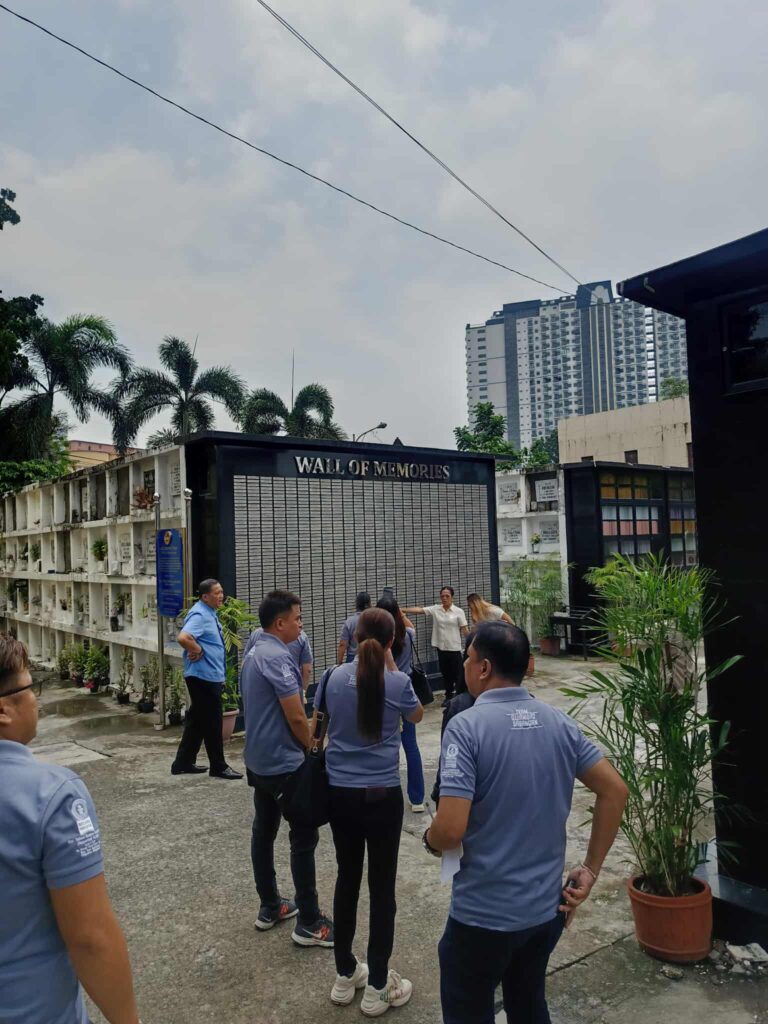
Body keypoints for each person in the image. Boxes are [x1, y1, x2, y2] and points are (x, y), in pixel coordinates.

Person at [424, 622, 628, 1024]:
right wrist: (590, 870)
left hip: (482, 918)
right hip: (545, 913)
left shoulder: (466, 727)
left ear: (483, 668)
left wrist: (431, 840)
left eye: (468, 658)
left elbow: (449, 830)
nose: (464, 666)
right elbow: (615, 791)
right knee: (528, 1002)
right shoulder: (559, 722)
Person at [0, 634, 140, 1024]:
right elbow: (90, 937)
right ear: (3, 711)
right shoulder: (50, 795)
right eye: (31, 688)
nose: (36, 700)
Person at [312, 607, 423, 1015]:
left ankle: (345, 974)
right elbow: (417, 715)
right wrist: (391, 665)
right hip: (382, 797)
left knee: (347, 878)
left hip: (340, 794)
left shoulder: (331, 677)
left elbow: (316, 733)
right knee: (382, 887)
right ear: (392, 642)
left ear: (355, 637)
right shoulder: (397, 682)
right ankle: (377, 985)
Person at [241, 589, 334, 946]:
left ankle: (270, 905)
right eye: (297, 618)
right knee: (303, 838)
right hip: (284, 764)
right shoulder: (278, 658)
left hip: (258, 761)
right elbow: (296, 717)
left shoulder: (254, 650)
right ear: (279, 623)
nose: (301, 624)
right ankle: (309, 921)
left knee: (263, 831)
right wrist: (313, 750)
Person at [172, 578, 243, 780]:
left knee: (196, 720)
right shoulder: (200, 614)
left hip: (207, 675)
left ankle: (183, 762)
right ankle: (218, 766)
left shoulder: (209, 612)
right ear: (205, 597)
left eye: (221, 592)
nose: (221, 596)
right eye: (216, 593)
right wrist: (197, 649)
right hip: (203, 677)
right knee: (213, 723)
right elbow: (183, 637)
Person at [377, 594, 426, 813]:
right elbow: (409, 625)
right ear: (397, 613)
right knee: (411, 745)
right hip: (405, 689)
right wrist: (401, 613)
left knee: (384, 744)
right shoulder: (409, 635)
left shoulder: (376, 641)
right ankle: (417, 799)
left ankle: (385, 794)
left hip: (383, 691)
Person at [430, 628, 477, 807]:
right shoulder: (546, 715)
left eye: (469, 658)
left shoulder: (459, 706)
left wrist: (439, 791)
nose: (465, 664)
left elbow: (449, 758)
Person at [403, 586, 468, 707]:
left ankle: (460, 695)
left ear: (452, 597)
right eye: (442, 596)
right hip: (441, 648)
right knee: (445, 673)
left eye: (447, 596)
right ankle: (448, 695)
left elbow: (464, 629)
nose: (444, 598)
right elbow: (420, 610)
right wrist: (402, 610)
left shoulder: (459, 611)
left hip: (454, 648)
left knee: (458, 674)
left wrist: (470, 643)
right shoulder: (436, 609)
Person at [337, 591, 371, 664]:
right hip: (370, 656)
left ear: (356, 604)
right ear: (370, 604)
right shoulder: (374, 620)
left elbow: (343, 644)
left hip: (352, 658)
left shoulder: (349, 622)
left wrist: (339, 663)